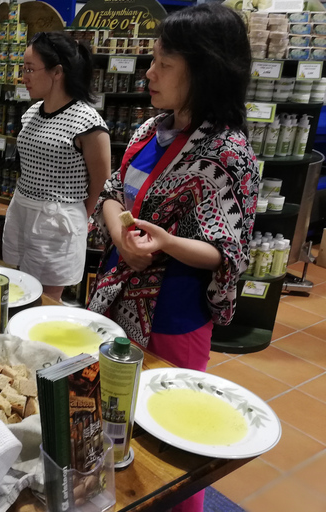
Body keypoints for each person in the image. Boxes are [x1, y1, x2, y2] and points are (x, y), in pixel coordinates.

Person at [87, 4, 258, 511]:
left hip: (173, 315)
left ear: (203, 69)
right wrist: (121, 235)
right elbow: (113, 191)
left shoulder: (229, 153)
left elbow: (226, 251)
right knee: (111, 417)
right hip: (118, 296)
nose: (150, 73)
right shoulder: (149, 130)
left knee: (170, 441)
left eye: (164, 63)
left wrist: (164, 243)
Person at [2, 31, 111, 302]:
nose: (23, 76)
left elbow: (101, 182)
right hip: (23, 210)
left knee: (44, 301)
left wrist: (78, 218)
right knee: (20, 290)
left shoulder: (88, 122)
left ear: (57, 72)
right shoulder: (31, 113)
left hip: (56, 222)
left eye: (29, 69)